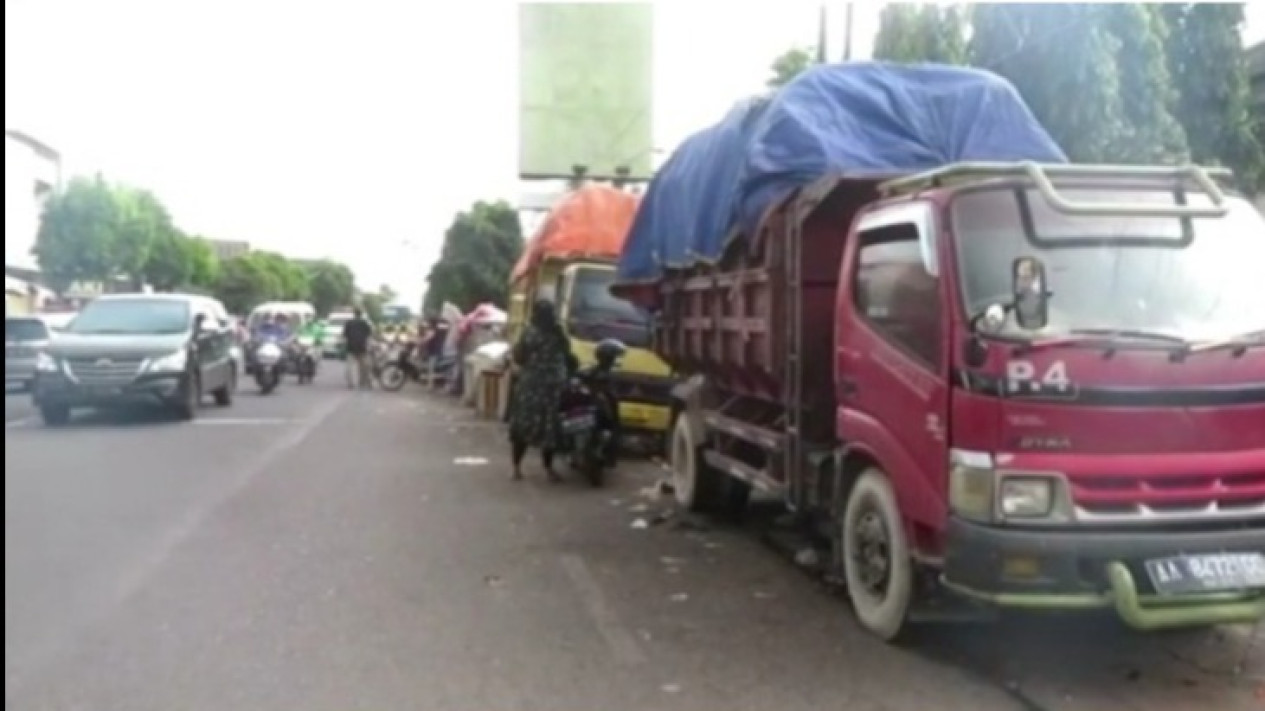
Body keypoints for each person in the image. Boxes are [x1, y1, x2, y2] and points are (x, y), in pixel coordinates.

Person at [507, 299, 571, 481]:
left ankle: (516, 468)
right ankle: (548, 468)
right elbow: (568, 354)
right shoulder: (558, 332)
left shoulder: (529, 332)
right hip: (553, 386)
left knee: (523, 426)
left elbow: (519, 357)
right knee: (549, 428)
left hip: (531, 387)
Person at [342, 307, 374, 389]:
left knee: (349, 366)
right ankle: (366, 382)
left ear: (354, 314)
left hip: (351, 347)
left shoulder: (349, 323)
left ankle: (350, 383)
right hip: (362, 347)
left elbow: (344, 334)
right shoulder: (364, 323)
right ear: (361, 314)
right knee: (365, 366)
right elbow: (369, 334)